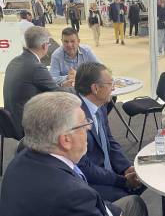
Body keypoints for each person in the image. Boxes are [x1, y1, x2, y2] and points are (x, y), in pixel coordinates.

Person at [0, 92, 148, 216]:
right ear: (66, 140)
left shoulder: (19, 160)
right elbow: (77, 198)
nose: (89, 128)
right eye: (84, 124)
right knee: (135, 203)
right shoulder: (73, 194)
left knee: (133, 202)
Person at [74, 62, 146, 202]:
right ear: (95, 88)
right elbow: (84, 167)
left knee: (146, 177)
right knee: (131, 200)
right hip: (91, 182)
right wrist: (122, 181)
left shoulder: (100, 106)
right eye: (110, 84)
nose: (113, 88)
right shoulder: (76, 117)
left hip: (109, 171)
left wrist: (126, 167)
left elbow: (109, 140)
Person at [3, 26, 72, 139]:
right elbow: (58, 93)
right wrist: (78, 87)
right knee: (71, 118)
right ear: (44, 46)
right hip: (26, 124)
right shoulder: (36, 67)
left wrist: (60, 85)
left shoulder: (15, 61)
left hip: (9, 122)